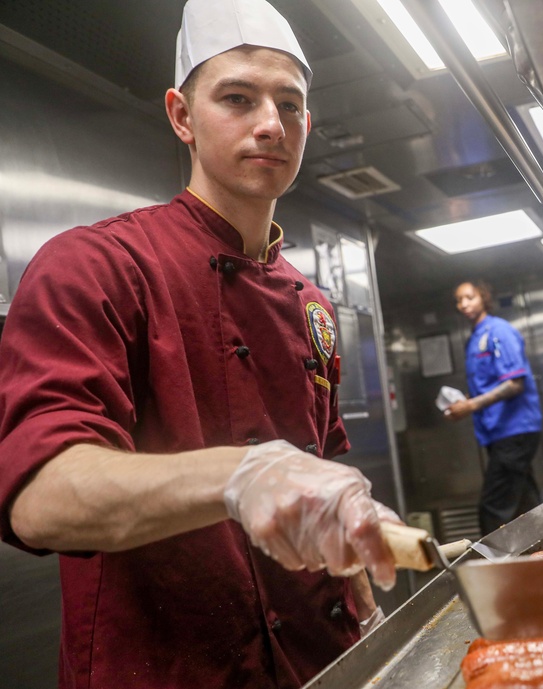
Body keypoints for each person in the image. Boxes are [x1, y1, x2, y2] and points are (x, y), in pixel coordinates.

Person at [0, 1, 399, 687]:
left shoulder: (312, 305)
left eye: (290, 104)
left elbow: (323, 460)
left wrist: (350, 538)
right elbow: (42, 494)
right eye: (237, 98)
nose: (271, 124)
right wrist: (240, 474)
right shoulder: (95, 266)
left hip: (319, 656)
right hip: (168, 666)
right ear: (182, 116)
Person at [447, 281, 543, 535]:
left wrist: (471, 406)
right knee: (526, 501)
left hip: (514, 429)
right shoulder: (475, 338)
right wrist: (465, 400)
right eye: (459, 300)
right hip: (497, 431)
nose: (464, 304)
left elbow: (514, 383)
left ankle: (494, 569)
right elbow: (488, 383)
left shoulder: (498, 331)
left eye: (470, 297)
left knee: (492, 507)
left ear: (483, 298)